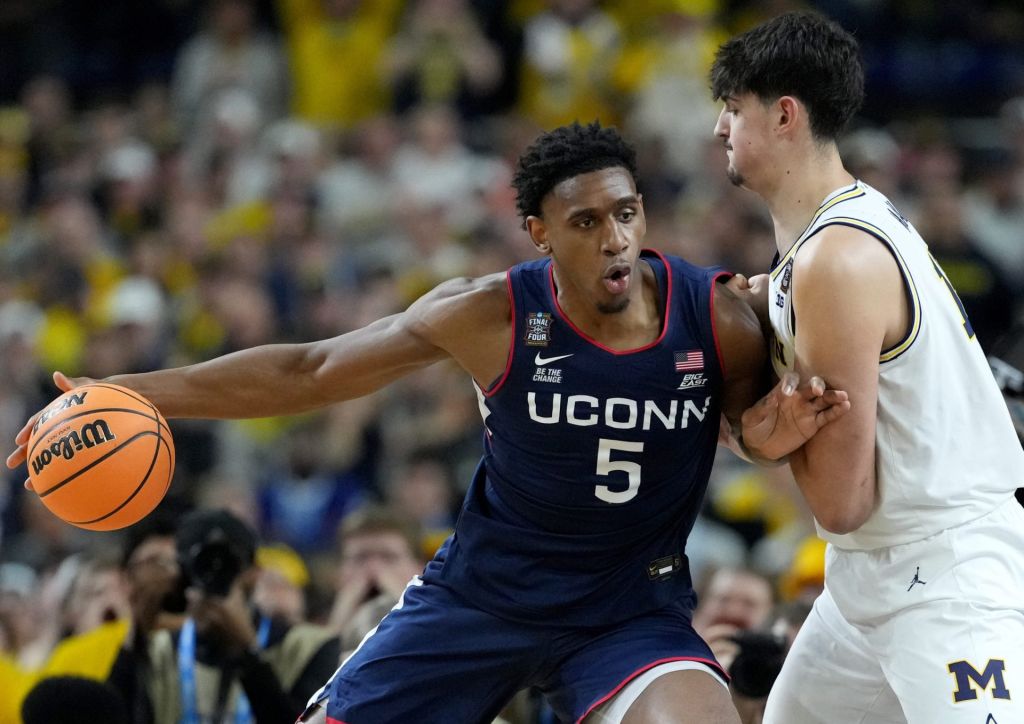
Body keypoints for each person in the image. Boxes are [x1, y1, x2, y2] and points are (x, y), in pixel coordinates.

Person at [7, 121, 847, 723]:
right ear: (539, 233)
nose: (615, 240)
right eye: (586, 222)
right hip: (481, 600)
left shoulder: (719, 320)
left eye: (625, 213)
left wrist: (768, 437)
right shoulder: (489, 314)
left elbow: (744, 433)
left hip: (629, 611)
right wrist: (132, 389)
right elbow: (312, 369)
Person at [710, 12, 1024, 724]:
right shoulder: (816, 239)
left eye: (733, 108)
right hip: (863, 581)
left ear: (784, 115)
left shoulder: (837, 260)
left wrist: (751, 428)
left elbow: (840, 502)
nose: (720, 128)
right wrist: (764, 424)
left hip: (947, 580)